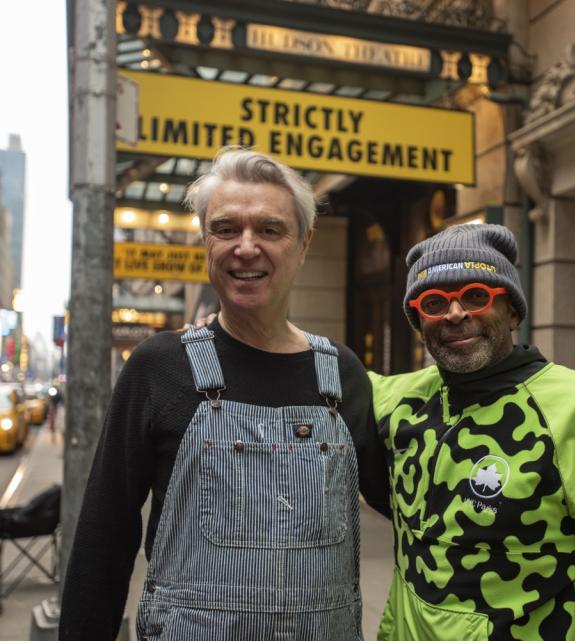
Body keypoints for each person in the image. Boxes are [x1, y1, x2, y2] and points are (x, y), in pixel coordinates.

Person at [59, 148, 389, 641]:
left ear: (303, 244)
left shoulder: (340, 374)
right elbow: (103, 541)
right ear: (205, 242)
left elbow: (408, 504)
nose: (246, 247)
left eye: (270, 229)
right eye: (227, 228)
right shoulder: (160, 367)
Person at [369, 224, 575, 641]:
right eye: (434, 302)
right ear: (419, 322)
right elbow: (311, 359)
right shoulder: (399, 401)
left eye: (476, 296)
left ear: (513, 312)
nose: (455, 313)